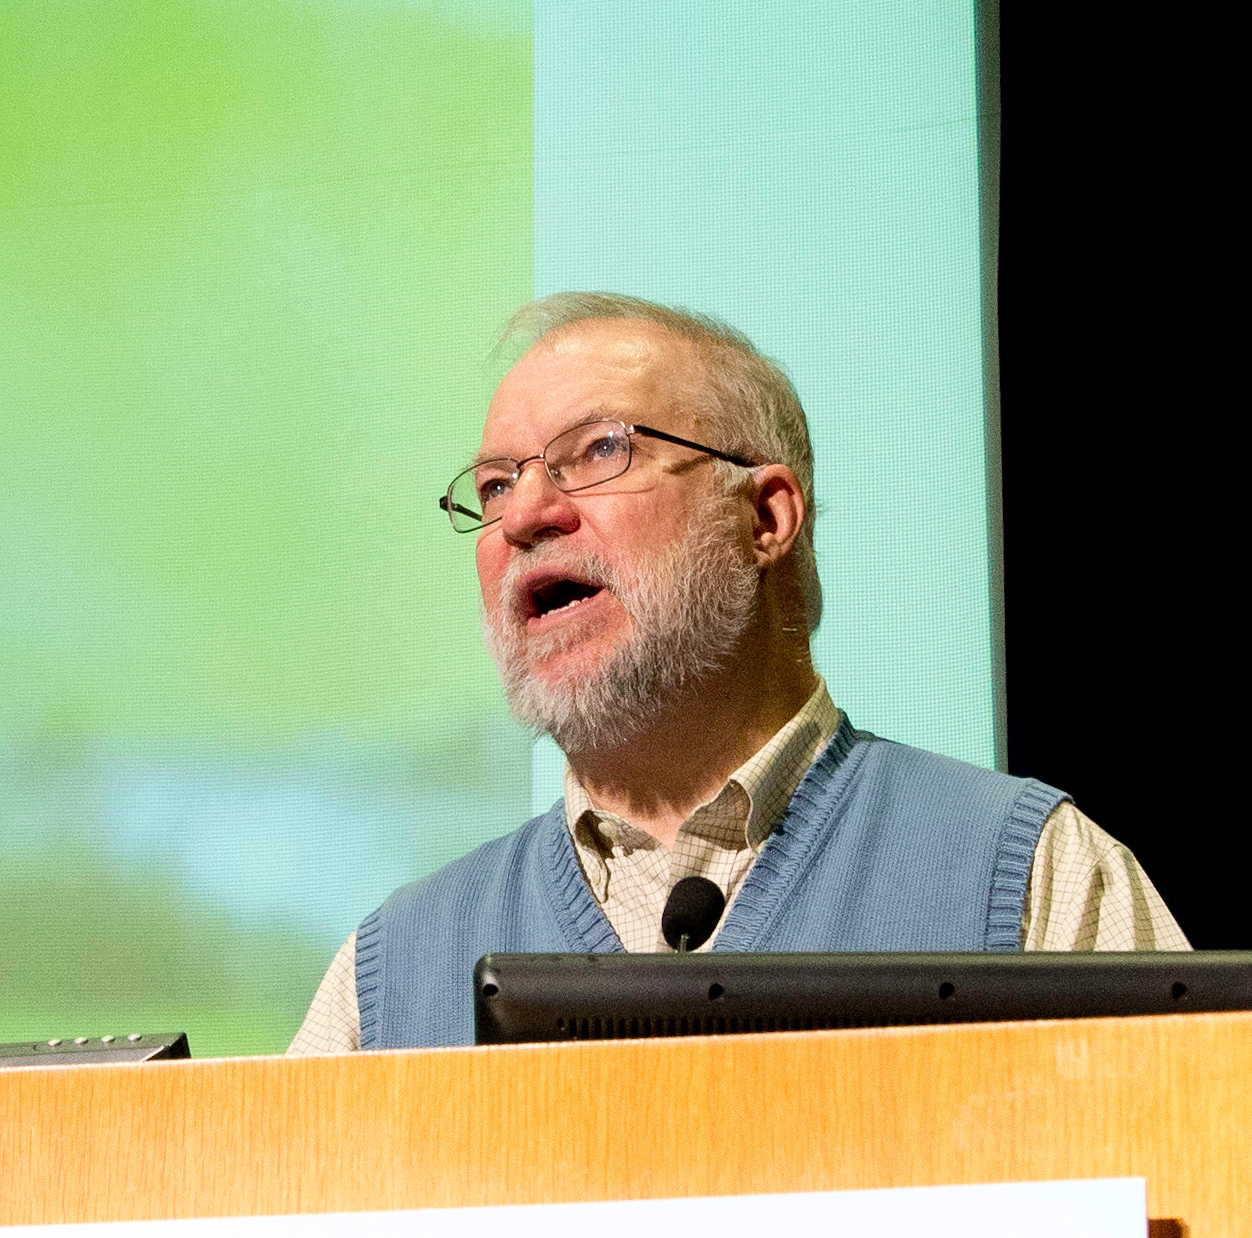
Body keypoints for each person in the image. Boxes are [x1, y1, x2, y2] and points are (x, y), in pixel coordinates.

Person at [293, 291, 1184, 1053]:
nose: (524, 513)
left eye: (600, 450)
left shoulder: (1030, 877)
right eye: (492, 486)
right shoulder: (387, 979)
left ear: (764, 517)